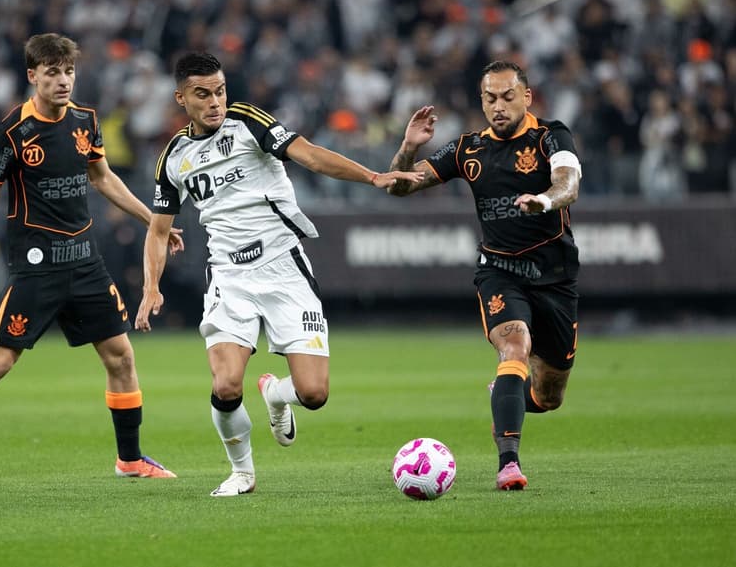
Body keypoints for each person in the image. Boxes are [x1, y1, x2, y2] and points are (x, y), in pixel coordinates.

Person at [134, 52, 421, 497]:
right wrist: (151, 286)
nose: (215, 102)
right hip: (229, 275)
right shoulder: (174, 157)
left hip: (284, 266)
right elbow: (158, 231)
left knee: (314, 394)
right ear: (180, 98)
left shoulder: (248, 122)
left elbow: (308, 155)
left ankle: (275, 395)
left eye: (221, 91)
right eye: (202, 94)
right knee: (226, 383)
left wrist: (372, 177)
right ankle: (242, 473)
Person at [0, 33, 184, 485]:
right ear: (32, 76)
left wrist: (151, 221)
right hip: (38, 268)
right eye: (53, 73)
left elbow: (103, 179)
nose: (64, 81)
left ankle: (131, 458)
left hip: (86, 263)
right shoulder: (12, 132)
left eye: (69, 72)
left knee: (121, 356)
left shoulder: (85, 120)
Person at [388, 61, 582, 491]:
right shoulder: (466, 149)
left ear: (526, 97)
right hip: (499, 271)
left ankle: (507, 392)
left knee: (549, 397)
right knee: (514, 345)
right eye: (490, 98)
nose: (498, 105)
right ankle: (508, 463)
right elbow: (399, 185)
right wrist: (408, 148)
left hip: (554, 277)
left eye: (507, 96)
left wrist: (545, 202)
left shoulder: (552, 136)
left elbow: (569, 184)